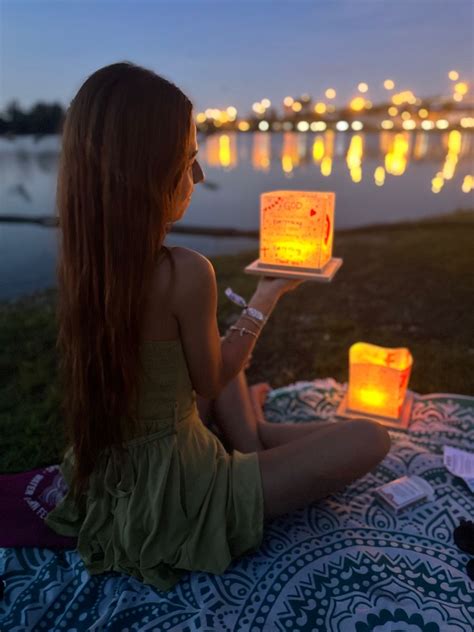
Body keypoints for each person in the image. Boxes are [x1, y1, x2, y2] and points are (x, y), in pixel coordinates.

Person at [44, 61, 391, 591]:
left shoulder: (84, 263)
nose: (200, 177)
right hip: (180, 491)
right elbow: (212, 380)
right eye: (188, 162)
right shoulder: (184, 271)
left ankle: (249, 432)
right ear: (146, 174)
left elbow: (185, 379)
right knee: (371, 437)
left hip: (113, 460)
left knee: (220, 368)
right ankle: (257, 438)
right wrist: (264, 298)